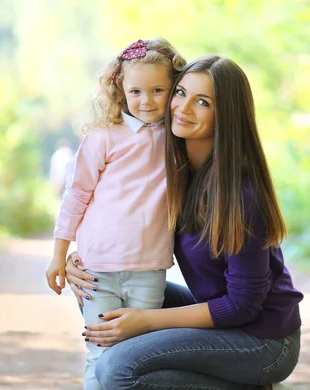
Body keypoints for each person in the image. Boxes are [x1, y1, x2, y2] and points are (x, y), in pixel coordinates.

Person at [65, 55, 304, 389]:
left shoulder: (239, 193)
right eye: (180, 93)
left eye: (202, 101)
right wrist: (83, 260)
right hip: (222, 319)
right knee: (103, 288)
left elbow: (243, 305)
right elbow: (122, 222)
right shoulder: (174, 171)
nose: (183, 107)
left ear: (226, 115)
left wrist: (148, 322)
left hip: (263, 340)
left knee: (117, 369)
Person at [44, 38, 186, 390]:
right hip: (97, 270)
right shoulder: (103, 138)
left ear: (173, 89)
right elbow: (76, 196)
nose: (147, 100)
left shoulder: (178, 137)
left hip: (148, 270)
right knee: (101, 354)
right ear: (120, 89)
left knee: (137, 358)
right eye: (136, 91)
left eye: (158, 90)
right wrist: (59, 255)